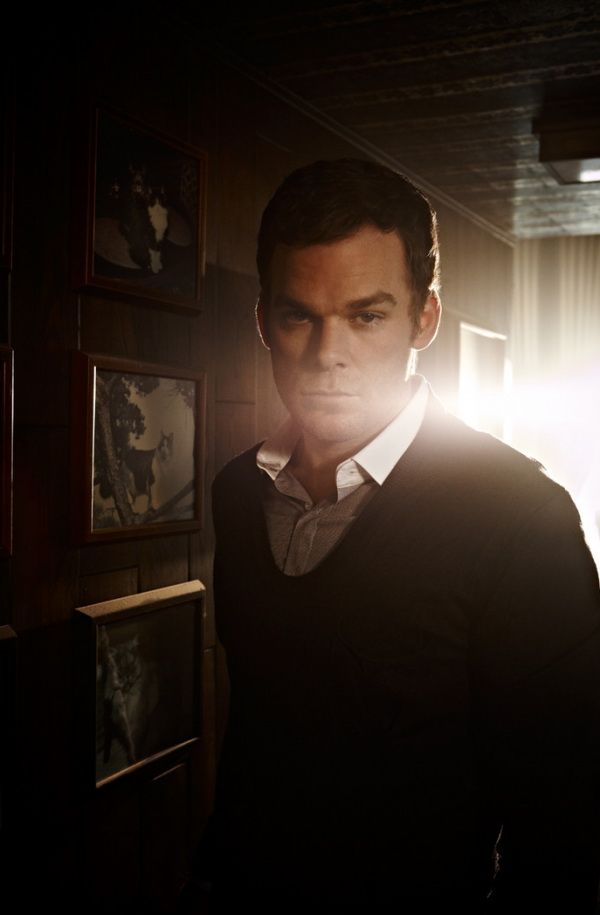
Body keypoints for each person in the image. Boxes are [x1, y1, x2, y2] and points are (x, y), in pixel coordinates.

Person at [208, 159, 600, 910]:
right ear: (262, 321)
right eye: (299, 316)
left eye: (367, 316)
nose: (327, 353)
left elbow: (566, 826)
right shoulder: (237, 491)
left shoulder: (521, 517)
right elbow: (259, 725)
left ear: (424, 319)